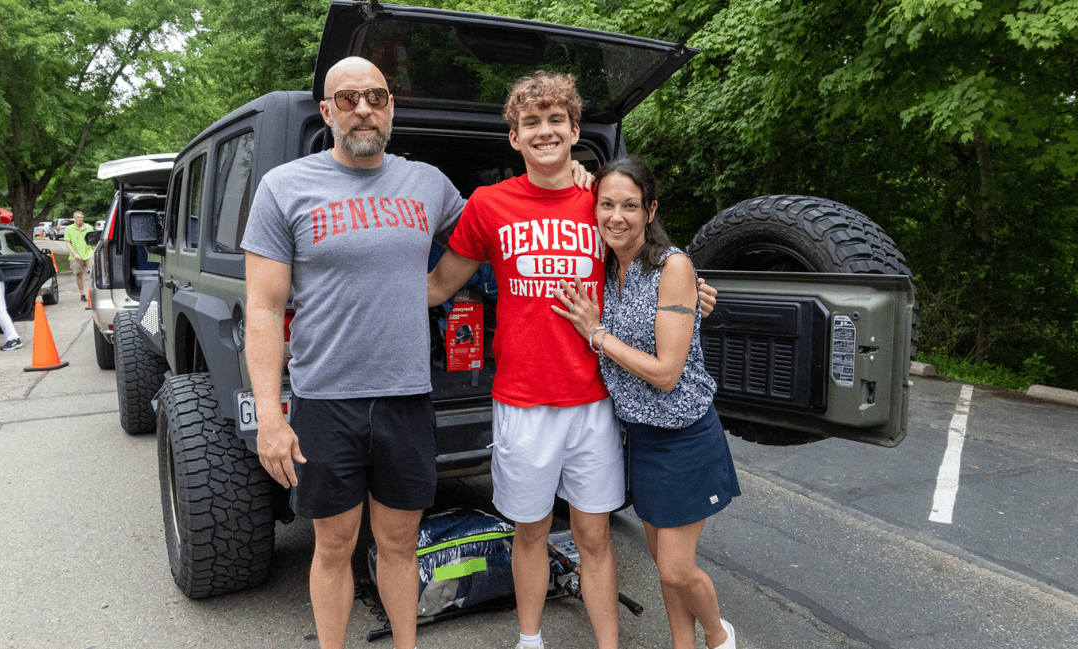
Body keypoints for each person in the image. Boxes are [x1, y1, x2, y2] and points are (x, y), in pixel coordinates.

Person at [241, 57, 592, 649]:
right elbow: (264, 309)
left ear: (391, 107)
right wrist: (271, 418)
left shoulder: (426, 183)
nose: (363, 109)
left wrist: (570, 176)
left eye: (376, 96)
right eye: (348, 98)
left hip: (407, 396)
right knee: (332, 545)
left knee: (401, 544)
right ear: (326, 112)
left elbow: (498, 223)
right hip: (325, 400)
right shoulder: (285, 187)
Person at [426, 71, 718, 649]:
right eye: (530, 122)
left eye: (555, 120)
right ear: (514, 137)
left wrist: (694, 291)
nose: (544, 131)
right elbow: (438, 286)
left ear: (575, 130)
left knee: (592, 535)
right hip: (522, 399)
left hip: (594, 401)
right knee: (530, 532)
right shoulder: (489, 204)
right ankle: (529, 639)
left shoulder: (599, 200)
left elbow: (656, 266)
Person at [551, 156, 741, 649]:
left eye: (630, 206)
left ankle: (720, 638)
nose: (616, 216)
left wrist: (596, 333)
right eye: (607, 205)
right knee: (663, 564)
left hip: (684, 438)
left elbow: (665, 374)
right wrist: (574, 168)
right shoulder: (608, 264)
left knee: (678, 569)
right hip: (641, 439)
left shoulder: (673, 266)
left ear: (650, 209)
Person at [63, 211, 94, 302]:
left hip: (88, 254)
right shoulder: (69, 228)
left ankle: (92, 293)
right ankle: (82, 294)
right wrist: (74, 253)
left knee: (92, 273)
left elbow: (92, 241)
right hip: (75, 255)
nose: (80, 219)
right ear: (74, 218)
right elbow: (68, 242)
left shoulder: (89, 228)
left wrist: (95, 251)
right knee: (79, 274)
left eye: (81, 217)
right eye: (78, 217)